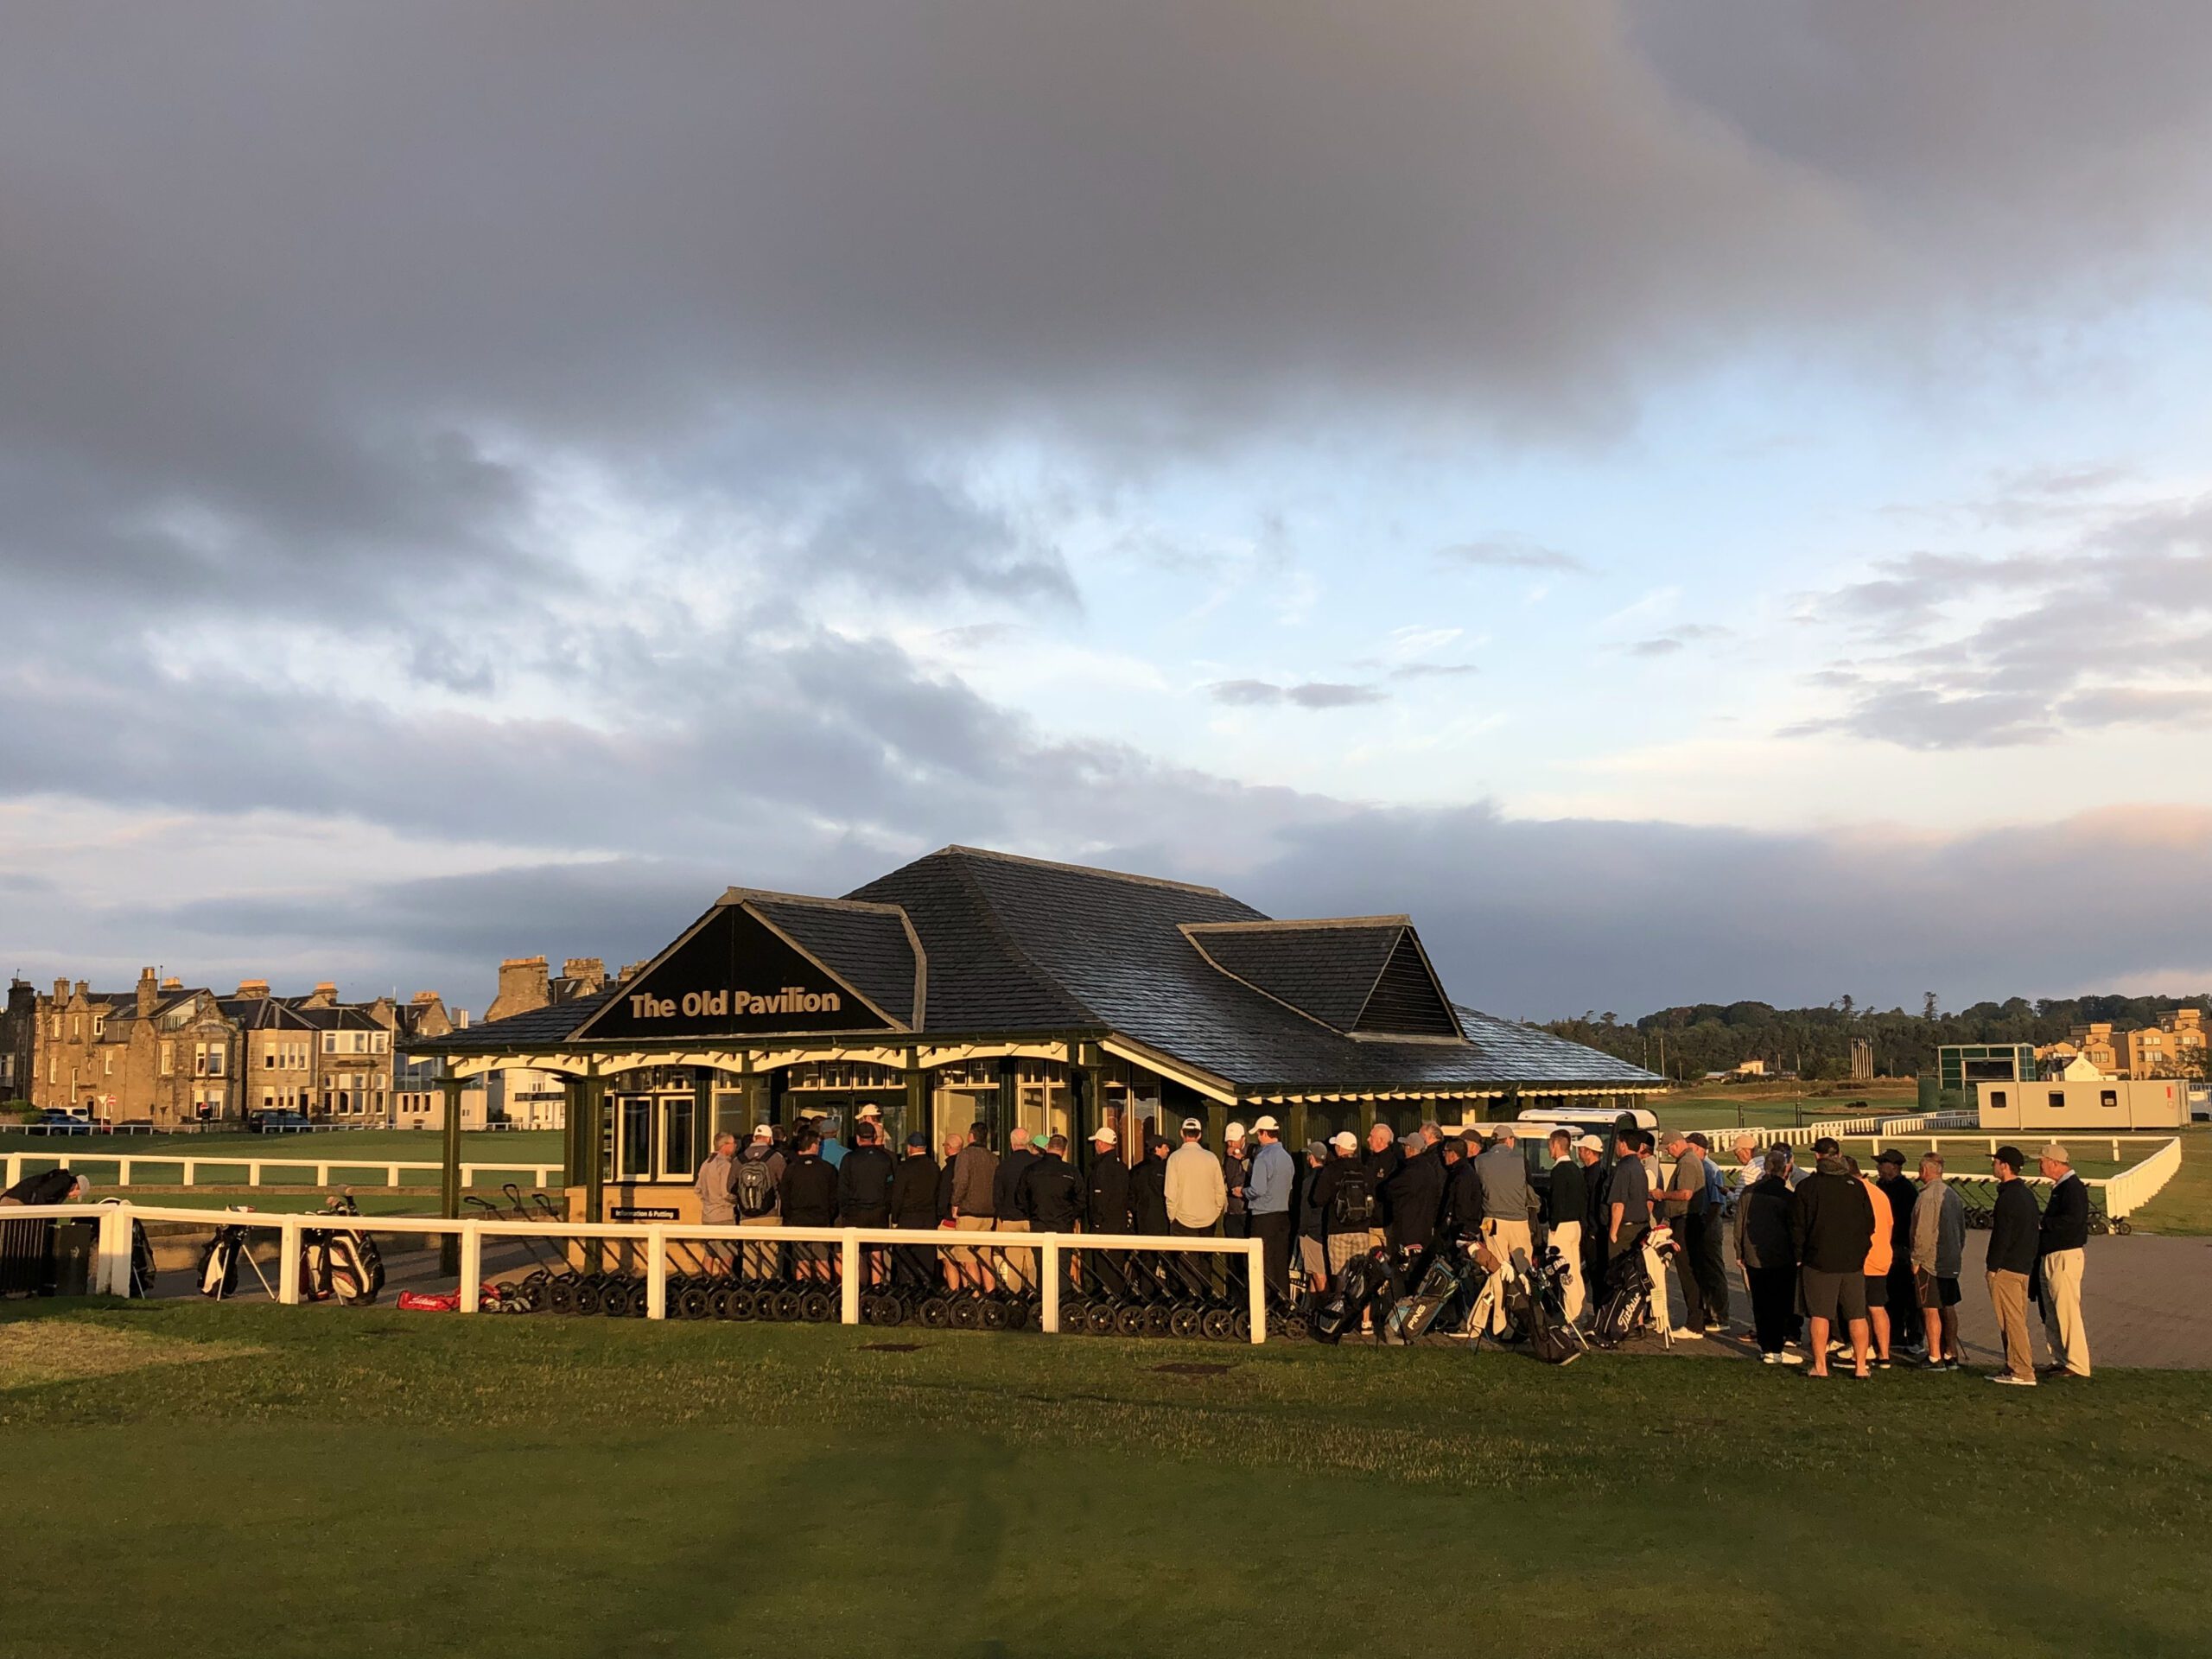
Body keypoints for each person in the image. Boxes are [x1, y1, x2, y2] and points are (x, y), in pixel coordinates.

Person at [1790, 1142, 1874, 1379]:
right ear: (1838, 1155)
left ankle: (1820, 1365)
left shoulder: (1807, 1187)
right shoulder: (1856, 1186)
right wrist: (1861, 1251)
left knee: (1820, 1315)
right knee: (1857, 1315)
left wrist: (1799, 1256)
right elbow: (1870, 1224)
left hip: (1818, 1261)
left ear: (1817, 1157)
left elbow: (1797, 1226)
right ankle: (1860, 1366)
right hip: (1853, 1262)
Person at [1735, 1147, 1802, 1363]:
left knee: (1761, 1303)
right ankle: (1775, 1349)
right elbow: (1794, 1229)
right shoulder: (1788, 1197)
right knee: (1781, 1304)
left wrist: (1739, 1251)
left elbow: (1739, 1224)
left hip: (1754, 1255)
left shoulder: (1748, 1192)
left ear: (1765, 1168)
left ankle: (1767, 1347)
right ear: (1785, 1170)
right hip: (1781, 1257)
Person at [1986, 1146, 2041, 1386]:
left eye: (1995, 1162)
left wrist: (1993, 1266)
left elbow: (2002, 1236)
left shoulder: (2009, 1197)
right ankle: (2013, 1365)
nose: (1993, 1166)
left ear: (2005, 1166)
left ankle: (2022, 1370)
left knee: (2012, 1321)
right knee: (2015, 1319)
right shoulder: (2027, 1195)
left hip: (2007, 1268)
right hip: (2022, 1265)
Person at [2036, 1143, 2091, 1379]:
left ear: (2055, 1163)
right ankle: (2059, 1358)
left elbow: (2073, 1221)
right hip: (2054, 1253)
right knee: (2052, 1311)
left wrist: (2042, 1224)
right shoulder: (2062, 1187)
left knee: (2067, 1311)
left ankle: (2077, 1364)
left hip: (2065, 1255)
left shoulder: (2072, 1188)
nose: (2040, 1165)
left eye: (2042, 1161)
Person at [1652, 1130, 1711, 1338]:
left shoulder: (1686, 1163)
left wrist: (1662, 1195)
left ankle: (1694, 1324)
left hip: (1685, 1220)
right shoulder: (1692, 1160)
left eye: (1668, 1148)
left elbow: (1686, 1193)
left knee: (1687, 1272)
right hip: (1691, 1220)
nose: (1668, 1152)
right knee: (1693, 1270)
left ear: (1677, 1144)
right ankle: (1698, 1319)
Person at [1910, 1153, 1965, 1371]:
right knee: (1948, 1306)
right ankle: (1951, 1351)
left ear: (1924, 1170)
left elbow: (1922, 1233)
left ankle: (1934, 1355)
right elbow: (1962, 1231)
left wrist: (1916, 1259)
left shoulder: (1926, 1196)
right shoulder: (1953, 1194)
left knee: (1930, 1308)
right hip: (1951, 1261)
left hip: (1930, 1262)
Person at [1018, 1135, 1084, 1299]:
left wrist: (1033, 1213)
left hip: (1039, 1224)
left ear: (1047, 1147)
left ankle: (1043, 1301)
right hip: (1062, 1226)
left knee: (1042, 1265)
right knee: (1062, 1265)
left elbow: (1020, 1198)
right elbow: (1081, 1201)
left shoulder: (1031, 1170)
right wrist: (1070, 1216)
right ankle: (1062, 1302)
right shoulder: (1071, 1171)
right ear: (1064, 1150)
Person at [1846, 1156, 1895, 1369]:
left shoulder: (1853, 1193)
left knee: (1858, 1310)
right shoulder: (1879, 1193)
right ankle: (1884, 1354)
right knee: (1877, 1307)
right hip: (1882, 1255)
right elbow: (1890, 1224)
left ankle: (1861, 1353)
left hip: (1861, 1257)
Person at [1872, 1149, 1923, 1352]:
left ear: (1894, 1166)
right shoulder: (1880, 1187)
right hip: (1884, 1248)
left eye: (1882, 1163)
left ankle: (1914, 1337)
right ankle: (1892, 1334)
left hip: (1901, 1248)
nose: (1878, 1167)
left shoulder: (1907, 1191)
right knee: (1889, 1294)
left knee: (1908, 1297)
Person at [1243, 1115, 1296, 1303]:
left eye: (1259, 1133)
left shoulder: (1263, 1157)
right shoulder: (1287, 1157)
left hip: (1263, 1216)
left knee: (1262, 1262)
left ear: (1265, 1133)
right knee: (1280, 1261)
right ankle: (1282, 1302)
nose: (1258, 1137)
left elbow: (1258, 1189)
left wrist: (1242, 1191)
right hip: (1283, 1215)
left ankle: (1263, 1302)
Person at [778, 1124, 839, 1282]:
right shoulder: (828, 1169)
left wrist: (790, 1217)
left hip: (798, 1220)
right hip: (821, 1220)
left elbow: (785, 1197)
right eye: (818, 1144)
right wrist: (829, 1215)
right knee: (822, 1260)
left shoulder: (791, 1169)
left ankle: (802, 1291)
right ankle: (825, 1292)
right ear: (813, 1146)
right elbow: (834, 1197)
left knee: (802, 1260)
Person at [836, 1121, 895, 1285]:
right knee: (877, 1253)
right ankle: (877, 1290)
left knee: (857, 1254)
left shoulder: (849, 1159)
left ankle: (859, 1290)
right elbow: (890, 1186)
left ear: (857, 1138)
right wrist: (886, 1208)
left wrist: (845, 1211)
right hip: (879, 1212)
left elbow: (842, 1188)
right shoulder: (884, 1159)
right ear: (874, 1137)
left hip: (855, 1213)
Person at [1311, 1131, 1373, 1281]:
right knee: (1361, 1277)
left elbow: (1318, 1199)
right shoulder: (1366, 1170)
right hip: (1362, 1229)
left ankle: (1341, 1302)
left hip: (1338, 1229)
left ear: (1339, 1148)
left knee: (1341, 1276)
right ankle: (1363, 1304)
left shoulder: (1331, 1169)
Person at [1542, 1129, 1589, 1325]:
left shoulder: (1558, 1171)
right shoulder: (1576, 1169)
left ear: (1555, 1145)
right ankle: (1580, 1309)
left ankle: (1571, 1317)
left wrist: (1552, 1227)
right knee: (1575, 1270)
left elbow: (1557, 1201)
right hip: (1576, 1225)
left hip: (1561, 1226)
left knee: (1564, 1272)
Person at [949, 1122, 1000, 1291]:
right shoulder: (993, 1158)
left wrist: (955, 1203)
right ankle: (990, 1294)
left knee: (967, 1258)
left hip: (969, 1213)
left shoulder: (965, 1155)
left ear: (971, 1136)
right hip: (988, 1214)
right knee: (985, 1258)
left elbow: (961, 1182)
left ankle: (975, 1297)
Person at [1381, 1128, 1445, 1261]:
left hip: (1407, 1231)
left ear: (1411, 1148)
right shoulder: (1430, 1170)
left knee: (1402, 1269)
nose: (1404, 1149)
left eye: (1405, 1146)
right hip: (1425, 1230)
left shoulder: (1410, 1172)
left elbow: (1388, 1191)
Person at [889, 1133, 942, 1289]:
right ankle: (927, 1289)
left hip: (908, 1218)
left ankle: (908, 1289)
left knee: (906, 1258)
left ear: (910, 1148)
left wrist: (895, 1219)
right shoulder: (934, 1167)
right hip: (929, 1219)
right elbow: (937, 1194)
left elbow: (897, 1196)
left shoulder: (904, 1168)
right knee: (926, 1257)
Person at [993, 1126, 1040, 1294]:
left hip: (1011, 1219)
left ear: (1012, 1144)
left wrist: (1002, 1213)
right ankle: (1034, 1293)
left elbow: (997, 1195)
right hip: (1032, 1219)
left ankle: (1014, 1295)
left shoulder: (1004, 1166)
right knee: (1033, 1260)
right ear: (1028, 1143)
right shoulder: (1037, 1164)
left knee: (1013, 1262)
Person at [1084, 1126, 1130, 1297]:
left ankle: (1106, 1301)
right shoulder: (1122, 1167)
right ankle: (1116, 1298)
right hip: (1119, 1224)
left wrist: (1096, 1222)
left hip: (1104, 1226)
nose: (1095, 1146)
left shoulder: (1101, 1168)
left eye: (1096, 1142)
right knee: (1116, 1266)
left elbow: (1100, 1199)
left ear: (1101, 1144)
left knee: (1103, 1268)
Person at [733, 1125, 785, 1278]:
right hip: (770, 1214)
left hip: (746, 1216)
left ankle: (750, 1292)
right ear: (769, 1139)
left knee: (749, 1259)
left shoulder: (739, 1159)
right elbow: (784, 1184)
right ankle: (768, 1294)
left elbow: (730, 1187)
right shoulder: (776, 1158)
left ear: (754, 1138)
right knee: (770, 1258)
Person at [1164, 1117, 1227, 1235]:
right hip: (1208, 1219)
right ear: (1199, 1135)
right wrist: (1216, 1212)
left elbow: (1171, 1192)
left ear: (1182, 1133)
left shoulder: (1175, 1158)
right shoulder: (1211, 1158)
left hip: (1182, 1219)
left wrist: (1172, 1216)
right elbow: (1220, 1190)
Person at [694, 1130, 739, 1272]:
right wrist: (737, 1200)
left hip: (707, 1215)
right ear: (725, 1146)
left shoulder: (706, 1163)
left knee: (709, 1254)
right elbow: (727, 1192)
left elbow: (697, 1189)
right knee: (727, 1255)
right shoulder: (725, 1165)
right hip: (723, 1216)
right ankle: (723, 1286)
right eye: (733, 1143)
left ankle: (706, 1284)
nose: (735, 1146)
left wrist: (708, 1201)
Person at [1363, 1120, 1403, 1253]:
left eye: (1371, 1136)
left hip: (1387, 1223)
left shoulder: (1394, 1162)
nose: (1368, 1140)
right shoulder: (1370, 1160)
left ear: (1381, 1140)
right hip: (1369, 1223)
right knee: (1374, 1263)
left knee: (1390, 1260)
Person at [1296, 1141, 1331, 1294]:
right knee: (1313, 1275)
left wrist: (1302, 1231)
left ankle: (1326, 1313)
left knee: (1318, 1275)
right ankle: (1313, 1311)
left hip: (1312, 1233)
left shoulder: (1309, 1181)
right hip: (1325, 1231)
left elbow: (1305, 1208)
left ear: (1311, 1158)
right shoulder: (1330, 1177)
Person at [1130, 1134, 1171, 1235]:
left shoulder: (1136, 1170)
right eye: (1165, 1147)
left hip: (1141, 1220)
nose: (1168, 1150)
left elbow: (1131, 1196)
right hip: (1162, 1219)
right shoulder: (1166, 1169)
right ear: (1157, 1148)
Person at [1222, 1123, 1252, 1238]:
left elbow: (1254, 1172)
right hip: (1231, 1210)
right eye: (1229, 1141)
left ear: (1243, 1139)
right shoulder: (1225, 1156)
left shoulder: (1253, 1151)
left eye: (1234, 1141)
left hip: (1247, 1209)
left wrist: (1240, 1156)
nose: (1231, 1144)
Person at [0, 1169, 89, 1206]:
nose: (73, 1197)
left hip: (20, 1199)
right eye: (76, 1195)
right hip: (16, 1200)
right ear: (77, 1186)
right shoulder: (63, 1181)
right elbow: (41, 1193)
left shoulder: (62, 1183)